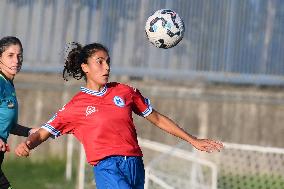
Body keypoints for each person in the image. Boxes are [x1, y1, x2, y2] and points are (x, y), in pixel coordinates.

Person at [15, 42, 223, 189]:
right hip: (108, 166)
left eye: (108, 62)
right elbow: (45, 131)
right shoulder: (75, 106)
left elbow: (157, 118)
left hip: (135, 164)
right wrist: (28, 144)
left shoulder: (125, 92)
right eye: (100, 62)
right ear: (85, 67)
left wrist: (193, 140)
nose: (107, 67)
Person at [0, 36, 38, 189]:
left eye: (19, 55)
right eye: (10, 55)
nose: (16, 61)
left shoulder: (8, 84)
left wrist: (29, 131)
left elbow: (9, 125)